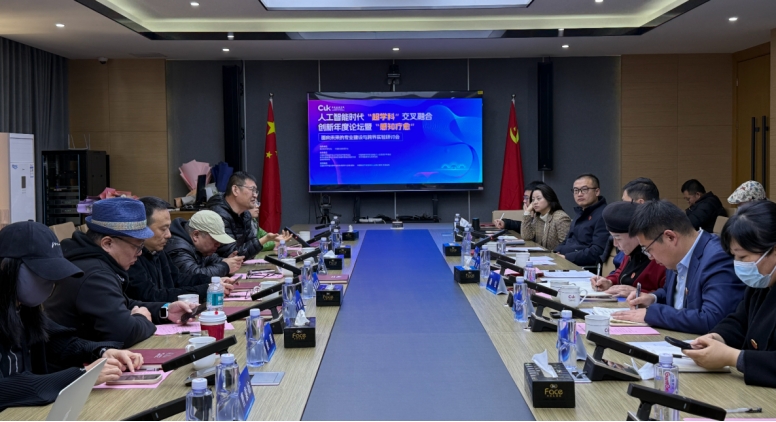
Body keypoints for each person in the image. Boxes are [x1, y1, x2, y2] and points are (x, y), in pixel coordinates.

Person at [0, 221, 144, 411]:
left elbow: (60, 342)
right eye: (42, 274)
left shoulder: (24, 309)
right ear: (6, 267)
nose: (50, 283)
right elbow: (6, 389)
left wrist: (102, 352)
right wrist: (82, 375)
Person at [44, 197, 195, 348]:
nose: (140, 253)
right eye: (137, 246)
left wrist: (166, 310)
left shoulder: (97, 262)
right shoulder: (94, 275)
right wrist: (141, 318)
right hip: (80, 361)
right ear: (107, 243)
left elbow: (124, 304)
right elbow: (124, 334)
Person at [612, 200, 745, 334]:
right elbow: (673, 293)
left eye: (648, 249)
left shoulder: (717, 258)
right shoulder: (676, 255)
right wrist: (653, 298)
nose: (650, 257)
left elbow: (712, 319)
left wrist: (653, 314)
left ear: (670, 237)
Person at [683, 201, 776, 387]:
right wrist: (717, 337)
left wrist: (734, 357)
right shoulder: (762, 283)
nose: (738, 264)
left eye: (743, 257)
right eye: (734, 256)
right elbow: (740, 321)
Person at [126, 197, 235, 304]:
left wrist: (213, 282)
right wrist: (206, 289)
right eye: (163, 229)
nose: (169, 235)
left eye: (168, 228)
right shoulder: (130, 258)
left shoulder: (157, 251)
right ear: (142, 228)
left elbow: (178, 279)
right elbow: (153, 297)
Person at [590, 201, 666, 297]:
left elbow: (669, 295)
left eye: (618, 238)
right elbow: (621, 272)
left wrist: (640, 293)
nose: (615, 244)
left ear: (637, 236)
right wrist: (609, 282)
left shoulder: (660, 259)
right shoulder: (631, 252)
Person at [207, 172, 287, 259]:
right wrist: (265, 239)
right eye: (252, 190)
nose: (255, 195)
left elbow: (248, 250)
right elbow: (231, 254)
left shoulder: (245, 215)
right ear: (235, 190)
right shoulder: (217, 215)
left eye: (256, 191)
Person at [553, 174, 609, 266]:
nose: (579, 194)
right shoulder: (580, 212)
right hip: (566, 261)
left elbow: (597, 251)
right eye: (576, 190)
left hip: (582, 267)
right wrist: (555, 252)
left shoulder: (604, 215)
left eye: (584, 189)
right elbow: (567, 241)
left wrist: (567, 257)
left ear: (597, 191)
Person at [166, 210, 243, 277]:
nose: (218, 244)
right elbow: (193, 276)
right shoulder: (178, 249)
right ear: (196, 235)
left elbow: (211, 259)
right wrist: (225, 266)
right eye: (215, 240)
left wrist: (227, 260)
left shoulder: (199, 248)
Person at [610, 177, 661, 270]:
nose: (622, 207)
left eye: (625, 202)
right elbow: (621, 269)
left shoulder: (653, 235)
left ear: (640, 203)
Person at [519, 183, 571, 251]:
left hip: (556, 256)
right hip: (542, 255)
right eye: (533, 200)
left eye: (538, 199)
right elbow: (526, 236)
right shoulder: (538, 217)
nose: (535, 202)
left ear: (549, 199)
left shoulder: (561, 218)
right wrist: (527, 212)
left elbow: (566, 246)